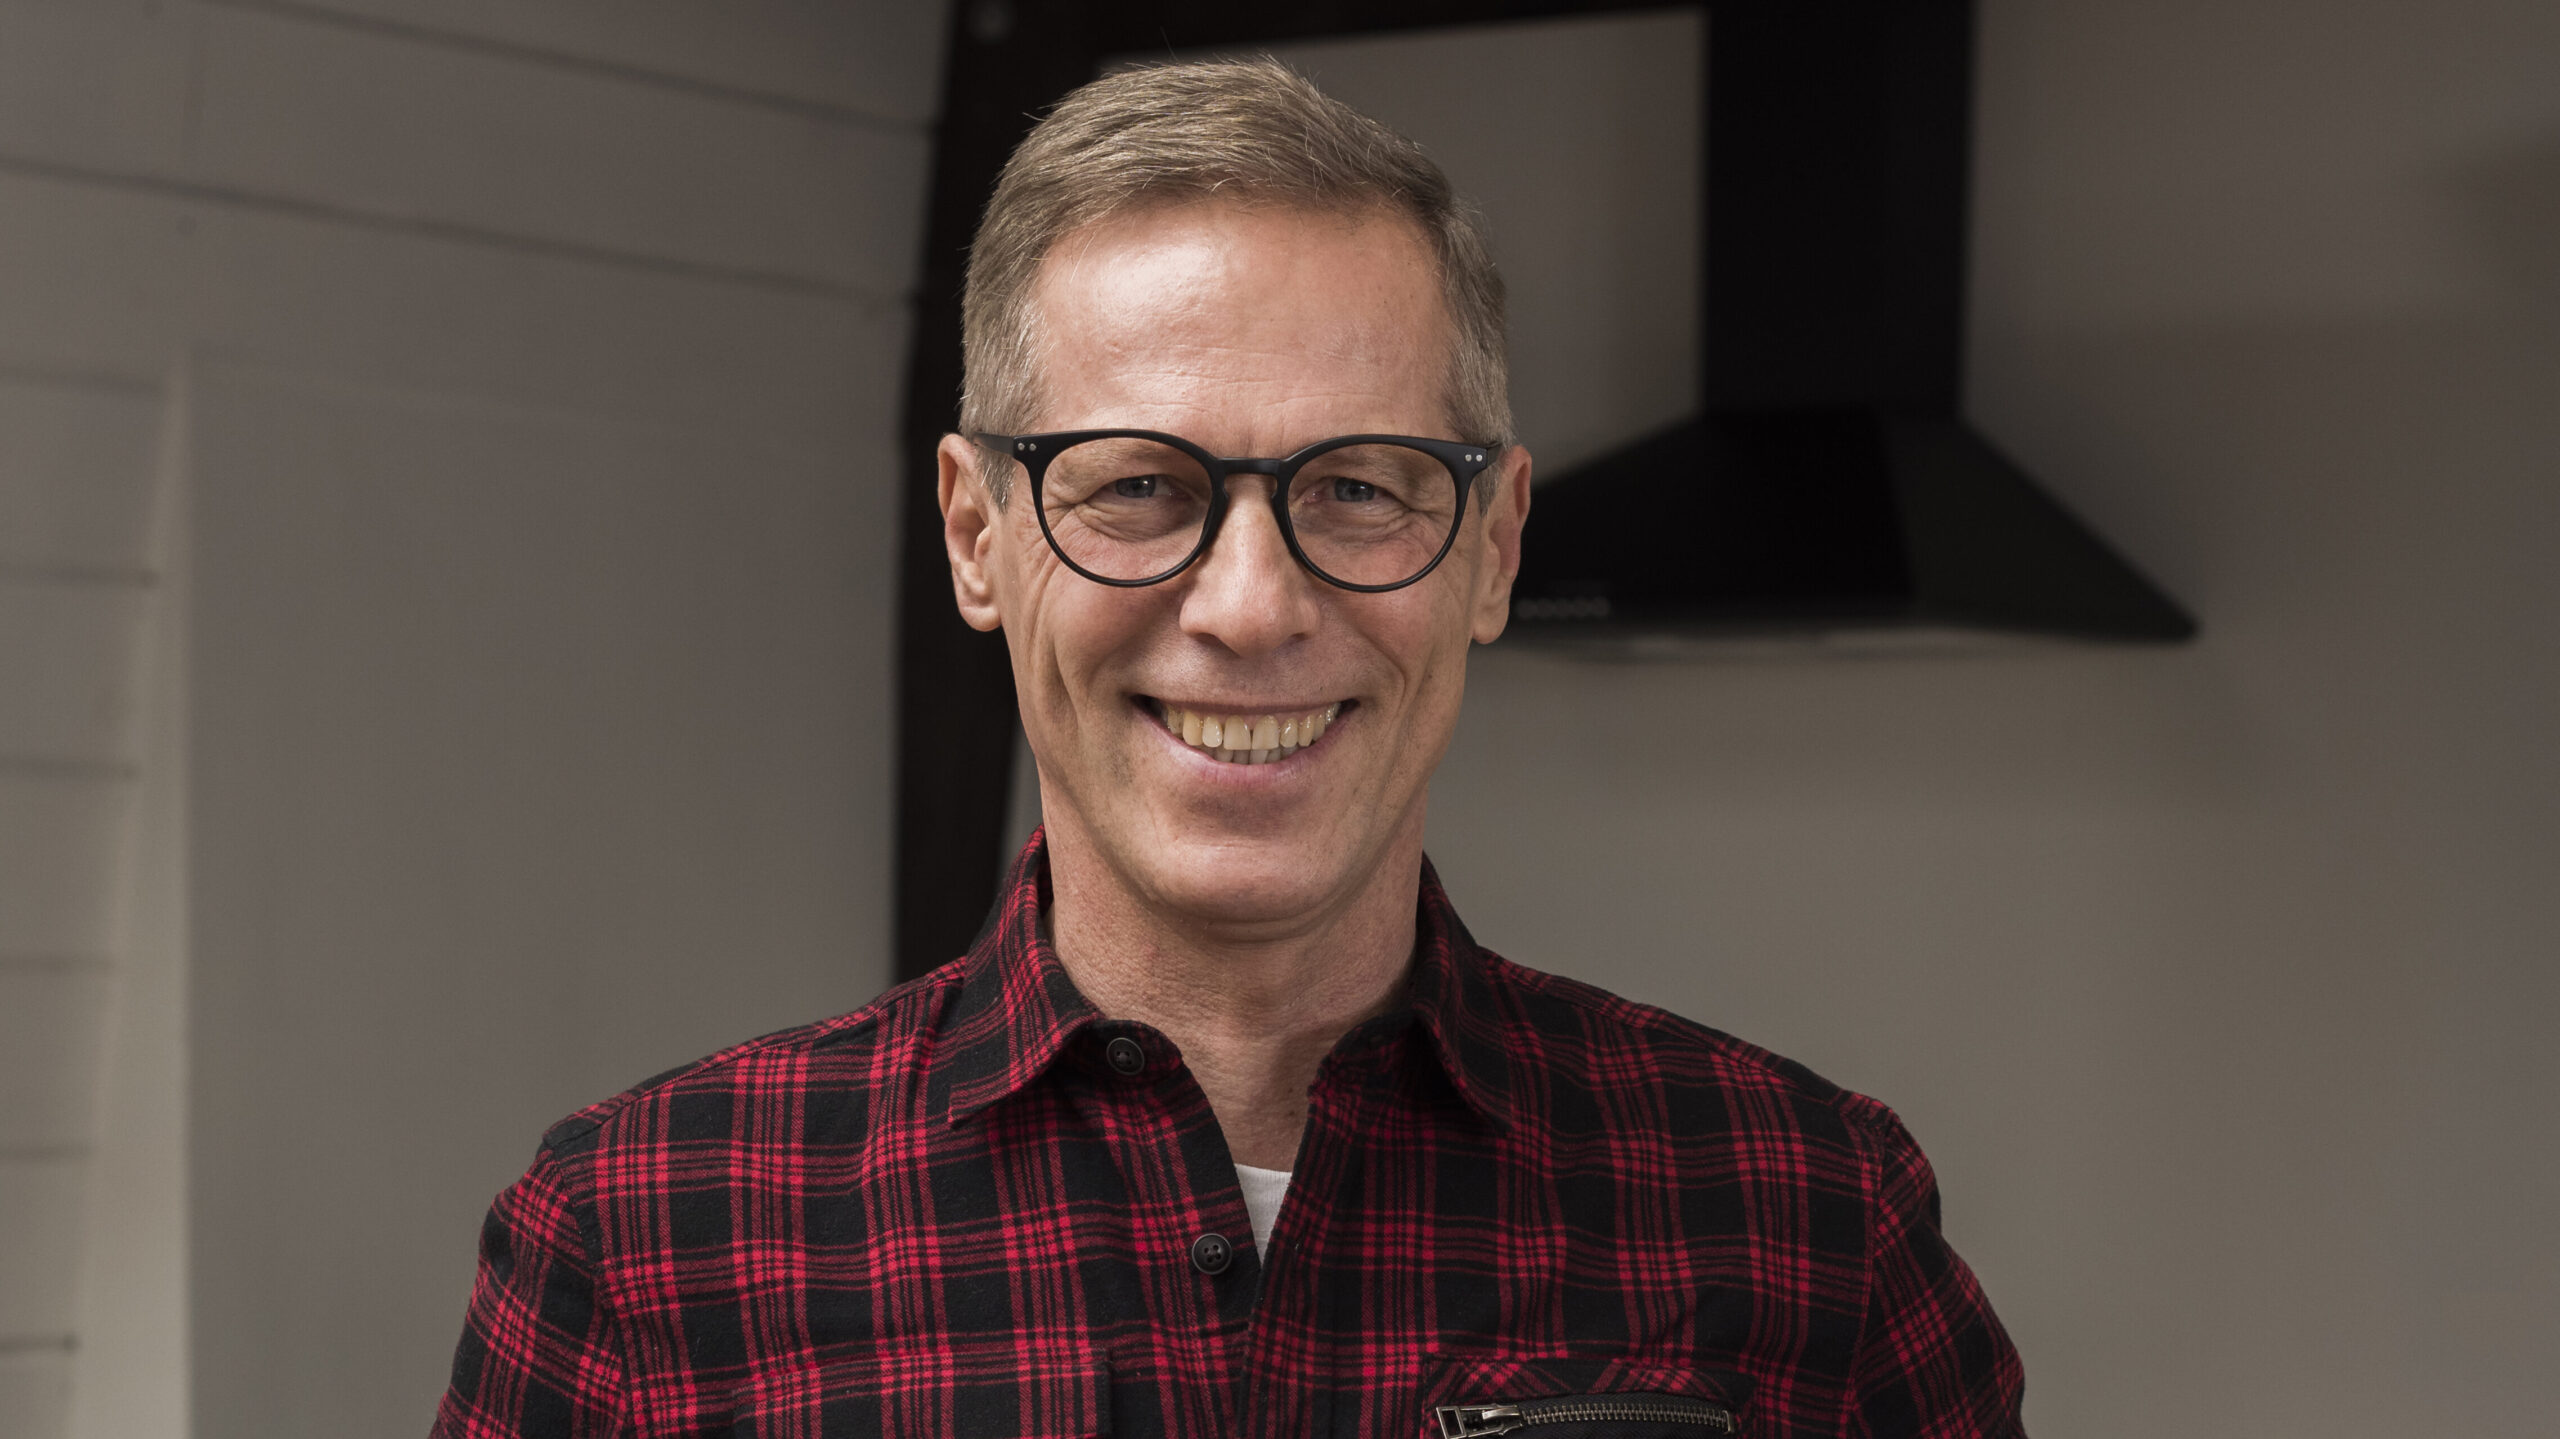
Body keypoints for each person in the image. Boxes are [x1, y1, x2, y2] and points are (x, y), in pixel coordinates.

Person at [434, 58, 2025, 1439]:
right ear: (977, 537)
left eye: (1358, 487)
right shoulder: (644, 1246)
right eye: (1137, 488)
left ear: (1491, 546)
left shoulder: (1811, 1224)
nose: (1251, 607)